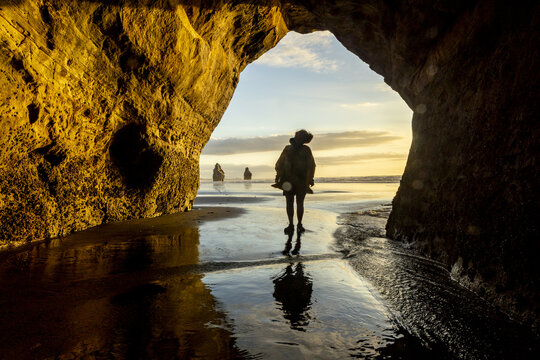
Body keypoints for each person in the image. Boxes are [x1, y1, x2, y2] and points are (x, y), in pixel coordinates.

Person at [273, 129, 315, 233]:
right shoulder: (287, 149)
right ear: (296, 136)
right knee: (289, 202)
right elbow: (280, 163)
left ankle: (299, 224)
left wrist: (310, 179)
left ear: (304, 139)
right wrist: (278, 175)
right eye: (298, 135)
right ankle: (291, 224)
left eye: (301, 137)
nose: (299, 138)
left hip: (301, 181)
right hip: (288, 180)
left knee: (300, 203)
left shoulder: (306, 150)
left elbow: (311, 165)